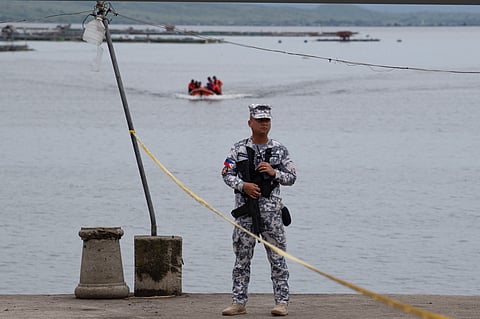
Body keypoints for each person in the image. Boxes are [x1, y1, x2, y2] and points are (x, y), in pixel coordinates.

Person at [221, 104, 296, 316]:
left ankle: (281, 302)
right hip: (245, 214)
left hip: (272, 215)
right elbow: (226, 173)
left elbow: (291, 177)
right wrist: (242, 185)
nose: (264, 124)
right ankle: (238, 302)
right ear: (250, 122)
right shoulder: (239, 149)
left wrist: (274, 173)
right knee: (241, 260)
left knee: (278, 259)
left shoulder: (280, 149)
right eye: (260, 120)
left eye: (267, 120)